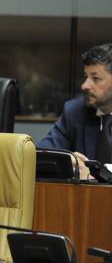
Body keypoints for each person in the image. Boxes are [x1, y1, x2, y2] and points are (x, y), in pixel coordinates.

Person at [38, 43, 112, 171]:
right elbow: (39, 155)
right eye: (86, 77)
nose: (84, 85)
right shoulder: (74, 111)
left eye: (95, 78)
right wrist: (67, 159)